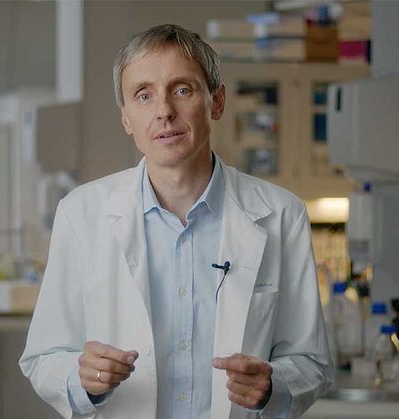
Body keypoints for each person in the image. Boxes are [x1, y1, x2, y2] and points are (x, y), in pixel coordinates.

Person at [20, 24, 333, 419]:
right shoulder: (81, 214)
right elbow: (44, 356)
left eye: (182, 89)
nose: (164, 111)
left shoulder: (282, 215)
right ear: (126, 118)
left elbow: (312, 362)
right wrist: (82, 379)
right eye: (143, 95)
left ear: (216, 103)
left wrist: (273, 386)